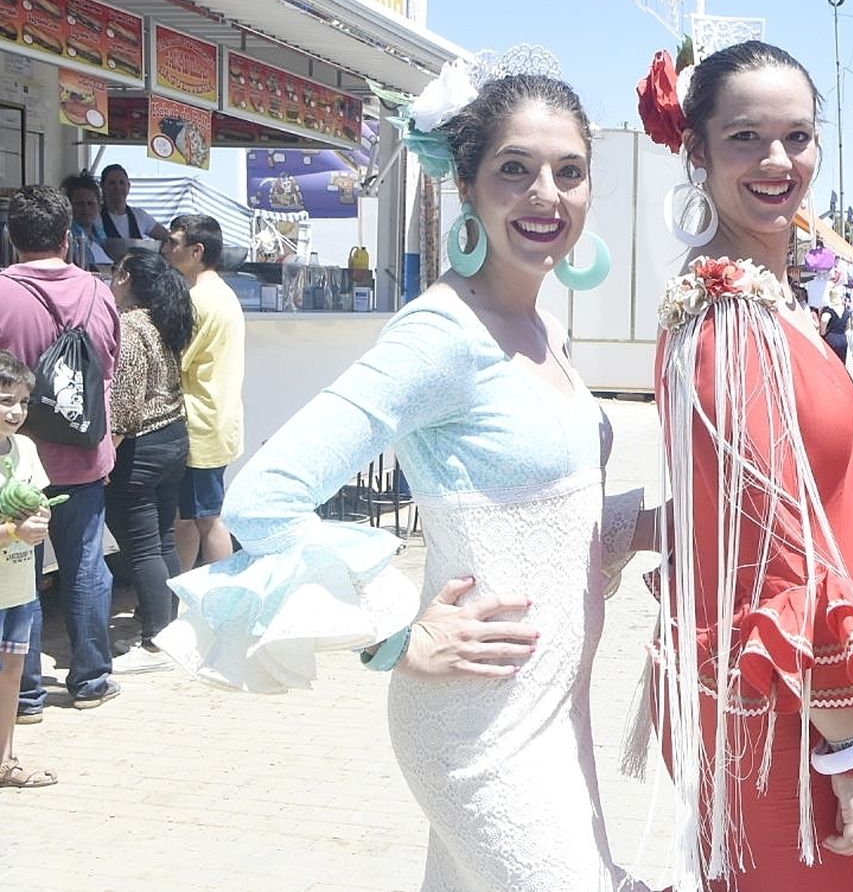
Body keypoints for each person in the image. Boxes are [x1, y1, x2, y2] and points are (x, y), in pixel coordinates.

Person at [156, 64, 655, 890]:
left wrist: (664, 524)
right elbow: (265, 496)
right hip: (475, 729)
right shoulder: (442, 333)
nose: (545, 194)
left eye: (569, 172)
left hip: (555, 715)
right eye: (514, 168)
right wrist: (395, 630)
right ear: (466, 183)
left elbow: (544, 515)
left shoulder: (544, 327)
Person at [644, 40, 853, 890]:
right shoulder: (731, 320)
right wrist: (850, 751)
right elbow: (778, 557)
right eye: (745, 138)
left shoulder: (763, 297)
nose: (777, 161)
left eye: (798, 137)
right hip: (789, 717)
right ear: (696, 151)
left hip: (776, 700)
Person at [0, 185, 122, 718]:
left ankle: (23, 694)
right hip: (84, 455)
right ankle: (91, 679)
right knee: (86, 567)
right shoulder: (101, 293)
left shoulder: (2, 292)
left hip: (14, 463)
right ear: (68, 238)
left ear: (11, 237)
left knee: (17, 570)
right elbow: (110, 369)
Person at [104, 249, 193, 673]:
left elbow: (124, 402)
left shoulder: (130, 326)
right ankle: (168, 629)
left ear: (125, 277)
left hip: (142, 446)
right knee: (161, 542)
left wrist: (106, 453)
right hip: (174, 437)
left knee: (142, 550)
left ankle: (155, 640)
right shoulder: (164, 320)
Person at [163, 214, 245, 571]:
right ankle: (179, 593)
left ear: (196, 251)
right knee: (190, 517)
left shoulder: (197, 300)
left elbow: (176, 359)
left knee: (208, 518)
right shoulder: (222, 293)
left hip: (200, 424)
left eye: (173, 243)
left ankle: (225, 600)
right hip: (217, 419)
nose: (166, 249)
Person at [0, 352, 57, 786]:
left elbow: (40, 505)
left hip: (18, 586)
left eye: (22, 401)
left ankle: (6, 760)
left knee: (12, 673)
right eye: (5, 400)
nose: (15, 411)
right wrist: (16, 533)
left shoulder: (26, 449)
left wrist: (39, 522)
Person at [97, 165, 170, 243]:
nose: (117, 187)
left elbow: (166, 237)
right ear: (102, 186)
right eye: (112, 183)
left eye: (122, 182)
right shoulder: (94, 217)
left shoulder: (140, 215)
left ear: (128, 186)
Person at [61, 173, 113, 266]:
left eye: (90, 203)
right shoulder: (67, 237)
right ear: (69, 205)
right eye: (80, 204)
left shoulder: (101, 234)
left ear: (99, 206)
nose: (86, 208)